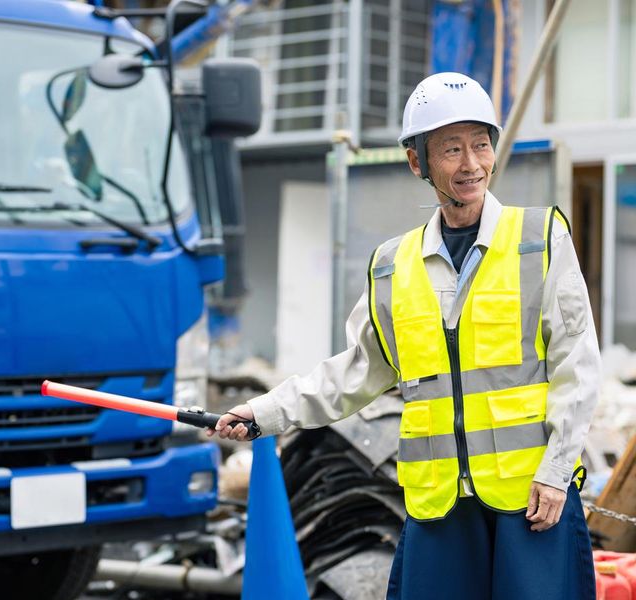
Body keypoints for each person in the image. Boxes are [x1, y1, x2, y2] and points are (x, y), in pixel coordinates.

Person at [208, 72, 600, 600]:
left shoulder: (540, 240)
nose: (471, 163)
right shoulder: (394, 266)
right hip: (439, 509)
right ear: (418, 162)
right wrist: (264, 412)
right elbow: (355, 371)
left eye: (481, 145)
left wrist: (556, 472)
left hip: (530, 501)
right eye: (452, 149)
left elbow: (578, 365)